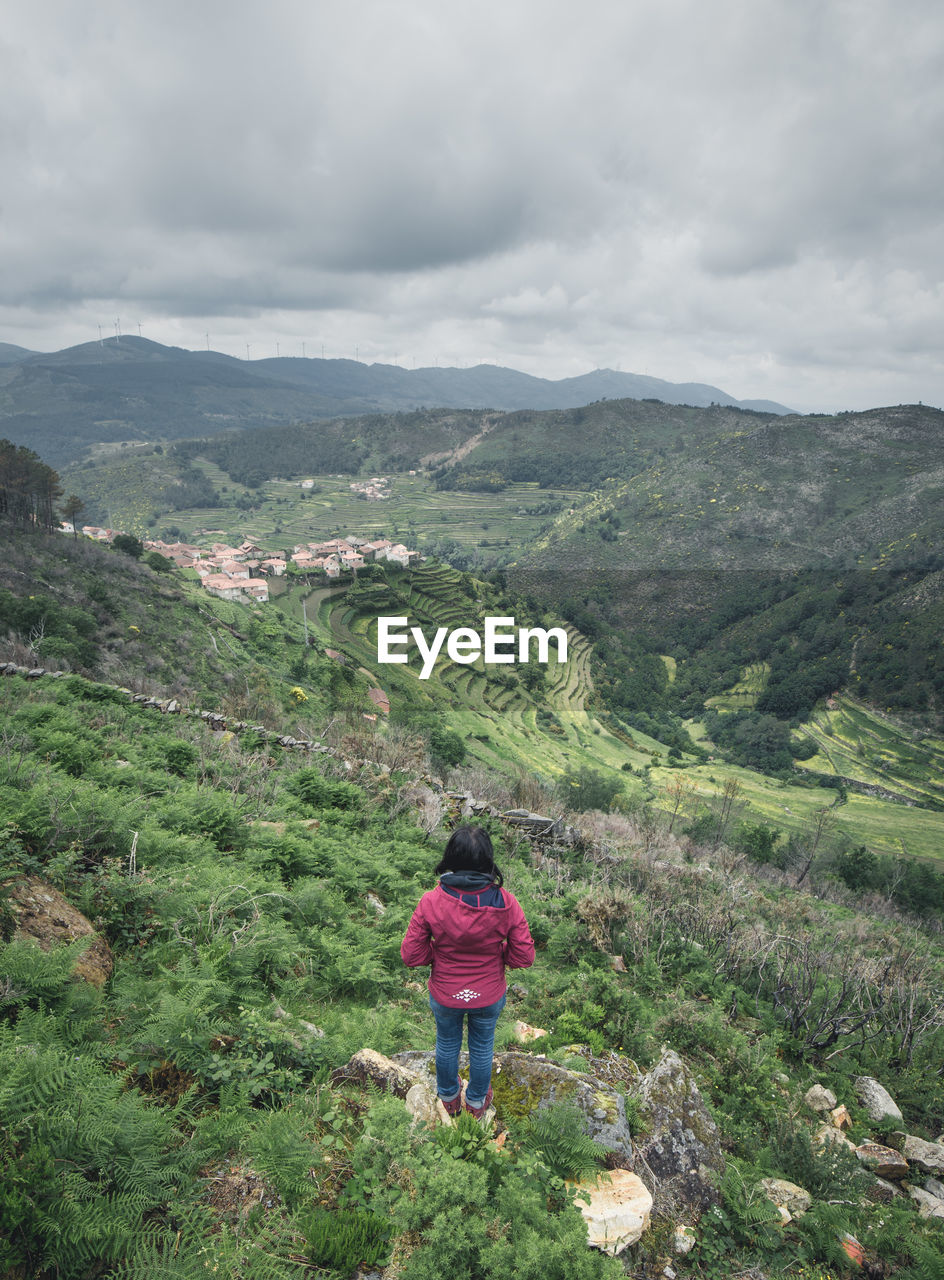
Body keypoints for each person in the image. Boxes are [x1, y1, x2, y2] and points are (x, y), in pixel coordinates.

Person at [401, 825, 535, 1118]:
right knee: (482, 1047)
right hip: (488, 994)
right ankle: (475, 1102)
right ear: (487, 860)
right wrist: (498, 956)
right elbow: (524, 956)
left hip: (446, 992)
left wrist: (439, 955)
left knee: (447, 1043)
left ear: (451, 857)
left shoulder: (431, 901)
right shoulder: (507, 903)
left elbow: (411, 955)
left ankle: (448, 1098)